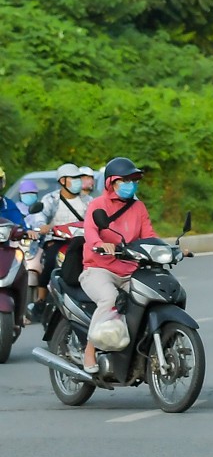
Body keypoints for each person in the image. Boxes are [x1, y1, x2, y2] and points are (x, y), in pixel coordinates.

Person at [79, 157, 157, 375]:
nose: (130, 184)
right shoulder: (97, 205)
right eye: (124, 180)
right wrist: (99, 245)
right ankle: (90, 349)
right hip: (99, 268)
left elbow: (148, 235)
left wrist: (166, 249)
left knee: (149, 298)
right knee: (110, 299)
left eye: (133, 180)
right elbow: (90, 231)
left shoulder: (138, 207)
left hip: (130, 269)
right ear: (111, 182)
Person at [29, 163, 91, 309]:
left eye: (78, 178)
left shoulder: (88, 201)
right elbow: (40, 217)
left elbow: (95, 219)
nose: (77, 181)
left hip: (82, 242)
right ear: (62, 181)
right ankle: (41, 301)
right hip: (57, 241)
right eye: (73, 178)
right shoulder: (50, 199)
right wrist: (42, 226)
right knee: (50, 262)